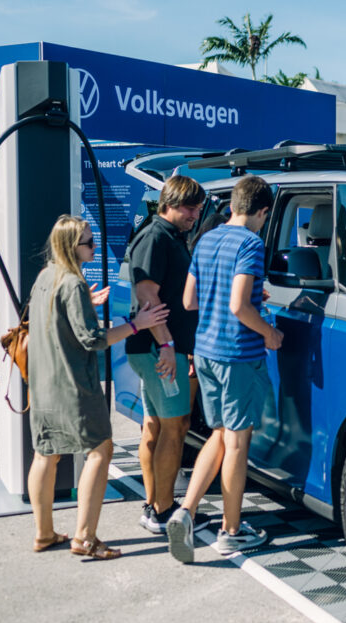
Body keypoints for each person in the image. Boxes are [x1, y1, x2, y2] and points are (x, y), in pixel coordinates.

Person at [27, 215, 168, 559]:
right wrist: (138, 325)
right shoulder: (72, 284)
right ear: (71, 247)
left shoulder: (46, 277)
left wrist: (86, 306)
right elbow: (92, 340)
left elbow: (55, 321)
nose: (95, 246)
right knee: (100, 450)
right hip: (73, 385)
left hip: (43, 384)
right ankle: (85, 538)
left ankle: (44, 534)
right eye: (89, 242)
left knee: (46, 453)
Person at [166, 176, 283, 562]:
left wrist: (246, 292)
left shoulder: (207, 238)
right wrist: (269, 333)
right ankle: (231, 532)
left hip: (205, 353)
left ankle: (185, 512)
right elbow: (238, 307)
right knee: (236, 443)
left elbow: (189, 300)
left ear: (233, 204)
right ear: (263, 212)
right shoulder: (251, 243)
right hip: (237, 355)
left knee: (219, 435)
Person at [125, 175, 205, 534]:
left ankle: (153, 505)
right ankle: (162, 510)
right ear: (169, 203)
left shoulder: (168, 236)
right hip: (158, 351)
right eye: (190, 207)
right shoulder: (156, 237)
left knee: (157, 426)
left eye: (199, 208)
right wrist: (169, 347)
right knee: (174, 429)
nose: (195, 214)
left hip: (156, 349)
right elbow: (147, 297)